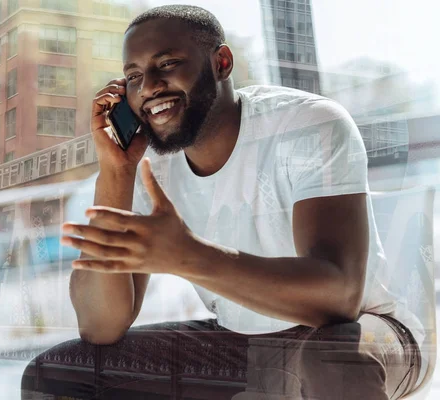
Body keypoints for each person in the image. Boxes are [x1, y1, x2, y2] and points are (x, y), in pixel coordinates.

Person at [21, 5, 423, 400]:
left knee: (334, 364)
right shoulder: (150, 168)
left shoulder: (309, 124)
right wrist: (116, 171)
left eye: (167, 63)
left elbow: (339, 298)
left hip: (363, 330)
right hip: (244, 346)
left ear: (222, 62)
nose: (148, 87)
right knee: (55, 378)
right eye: (133, 76)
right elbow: (99, 326)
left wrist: (187, 256)